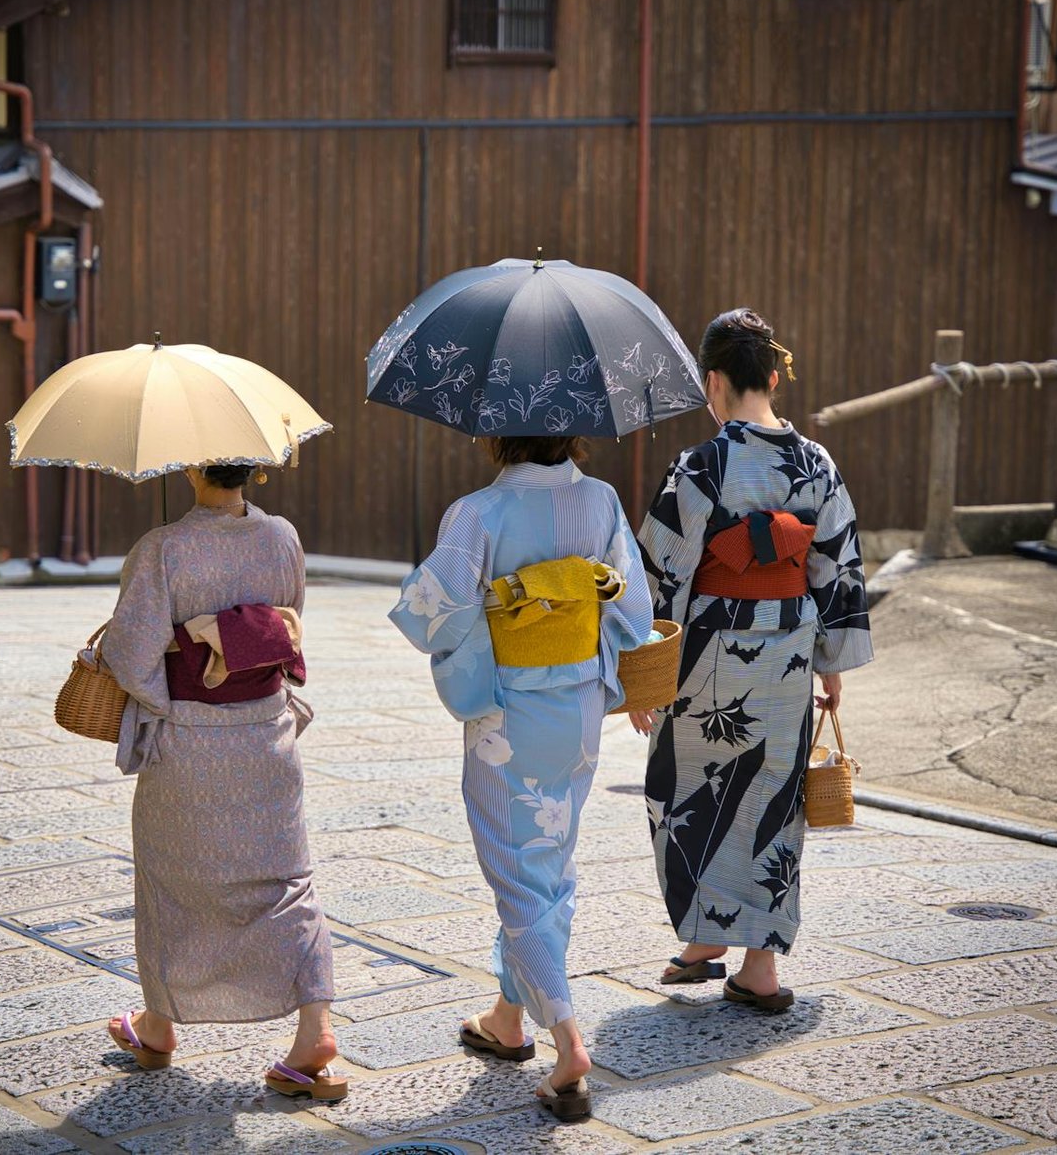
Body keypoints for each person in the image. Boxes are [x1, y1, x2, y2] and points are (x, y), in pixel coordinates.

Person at [389, 436, 652, 1120]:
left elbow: (429, 612)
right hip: (580, 706)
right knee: (550, 861)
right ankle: (508, 1019)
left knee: (518, 871)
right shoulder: (600, 500)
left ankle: (568, 1042)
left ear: (495, 431)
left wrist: (499, 598)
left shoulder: (479, 512)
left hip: (510, 714)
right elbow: (631, 609)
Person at [631, 308, 872, 1012]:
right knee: (772, 796)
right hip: (791, 645)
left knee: (685, 789)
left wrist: (642, 673)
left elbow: (661, 575)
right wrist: (830, 662)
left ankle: (706, 934)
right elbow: (836, 568)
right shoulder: (818, 463)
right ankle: (754, 964)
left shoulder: (700, 466)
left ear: (713, 381)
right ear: (772, 375)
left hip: (708, 650)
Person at [98, 463, 344, 1101]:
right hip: (266, 733)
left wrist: (170, 700)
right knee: (287, 881)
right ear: (256, 468)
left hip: (191, 739)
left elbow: (129, 655)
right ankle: (315, 1029)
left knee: (171, 880)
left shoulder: (163, 548)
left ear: (190, 465)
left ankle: (159, 1025)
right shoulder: (282, 537)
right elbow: (286, 626)